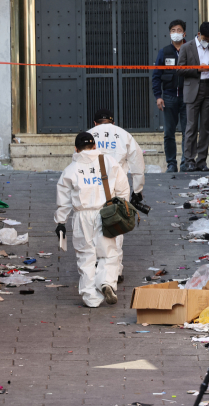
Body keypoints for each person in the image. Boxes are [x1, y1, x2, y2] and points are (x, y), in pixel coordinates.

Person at [54, 132, 130, 308]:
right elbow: (123, 188)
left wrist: (60, 222)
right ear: (95, 146)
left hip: (82, 216)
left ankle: (91, 297)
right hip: (106, 213)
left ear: (76, 149)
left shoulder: (71, 170)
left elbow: (63, 200)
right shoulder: (109, 162)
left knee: (85, 255)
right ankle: (106, 282)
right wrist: (121, 208)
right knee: (109, 252)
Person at [87, 108, 145, 284]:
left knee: (93, 225)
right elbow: (137, 163)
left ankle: (97, 264)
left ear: (95, 123)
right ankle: (116, 270)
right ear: (112, 122)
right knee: (117, 227)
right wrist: (138, 189)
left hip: (92, 186)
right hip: (118, 188)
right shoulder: (124, 135)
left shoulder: (88, 135)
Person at [177, 22, 209, 172]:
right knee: (191, 127)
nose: (207, 41)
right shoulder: (186, 47)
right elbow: (180, 69)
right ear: (199, 34)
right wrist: (197, 69)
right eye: (205, 38)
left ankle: (201, 161)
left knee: (206, 127)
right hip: (193, 89)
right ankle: (189, 161)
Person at [152, 19, 188, 172]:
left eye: (178, 30)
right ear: (169, 33)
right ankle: (171, 164)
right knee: (169, 133)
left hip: (187, 98)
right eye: (173, 30)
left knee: (188, 132)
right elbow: (156, 76)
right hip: (169, 97)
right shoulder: (164, 52)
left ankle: (186, 163)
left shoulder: (190, 50)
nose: (176, 33)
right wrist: (158, 96)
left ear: (184, 33)